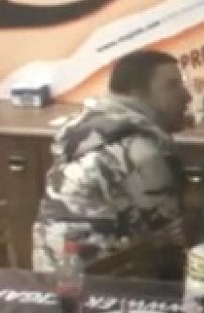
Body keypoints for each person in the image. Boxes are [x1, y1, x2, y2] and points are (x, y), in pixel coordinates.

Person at [32, 51, 191, 277]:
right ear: (137, 92)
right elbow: (172, 241)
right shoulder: (139, 151)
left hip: (50, 271)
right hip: (98, 283)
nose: (187, 96)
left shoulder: (88, 128)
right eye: (172, 86)